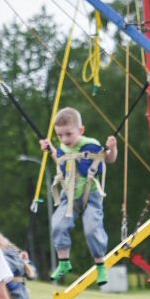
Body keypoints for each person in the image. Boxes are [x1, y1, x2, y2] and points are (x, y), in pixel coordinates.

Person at [39, 107, 119, 287]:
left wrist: (112, 147)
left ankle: (100, 265)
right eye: (60, 136)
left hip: (91, 195)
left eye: (69, 134)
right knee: (58, 224)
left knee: (92, 229)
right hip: (69, 198)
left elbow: (109, 159)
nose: (65, 140)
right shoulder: (62, 147)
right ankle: (64, 262)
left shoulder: (90, 144)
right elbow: (59, 159)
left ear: (80, 130)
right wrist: (50, 148)